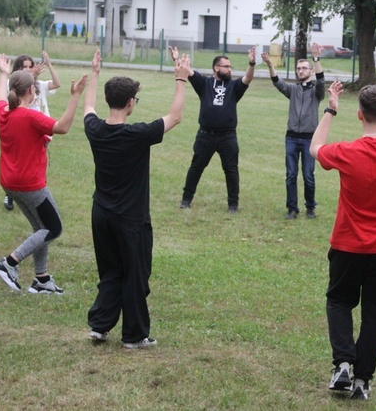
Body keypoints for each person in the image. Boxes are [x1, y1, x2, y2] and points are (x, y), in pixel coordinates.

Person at [310, 80, 376, 401]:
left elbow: (315, 147)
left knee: (340, 301)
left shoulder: (346, 151)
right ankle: (361, 380)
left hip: (347, 246)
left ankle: (343, 362)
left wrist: (331, 108)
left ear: (359, 115)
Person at [84, 48, 190, 349]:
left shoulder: (95, 130)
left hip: (101, 215)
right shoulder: (138, 134)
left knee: (110, 271)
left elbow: (88, 106)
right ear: (130, 103)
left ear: (110, 100)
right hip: (130, 219)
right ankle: (134, 335)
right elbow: (176, 116)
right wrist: (180, 78)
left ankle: (100, 326)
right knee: (135, 274)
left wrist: (94, 74)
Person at [0, 54, 87, 294]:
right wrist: (75, 96)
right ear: (31, 92)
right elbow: (62, 127)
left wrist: (3, 72)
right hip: (30, 185)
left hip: (10, 183)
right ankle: (9, 263)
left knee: (40, 228)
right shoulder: (31, 116)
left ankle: (41, 279)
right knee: (53, 228)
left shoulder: (4, 112)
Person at [178, 47, 255, 213]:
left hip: (227, 137)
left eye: (230, 67)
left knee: (231, 170)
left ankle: (233, 204)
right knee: (196, 167)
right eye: (226, 66)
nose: (229, 69)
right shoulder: (204, 84)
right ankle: (186, 199)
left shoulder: (234, 86)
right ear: (216, 68)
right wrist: (178, 60)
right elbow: (187, 71)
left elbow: (248, 78)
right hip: (205, 135)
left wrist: (252, 63)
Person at [264, 41, 325, 219]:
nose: (300, 71)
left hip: (309, 139)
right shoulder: (292, 90)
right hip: (291, 138)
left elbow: (321, 80)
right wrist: (269, 64)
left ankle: (310, 207)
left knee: (308, 175)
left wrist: (316, 58)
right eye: (298, 68)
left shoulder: (317, 91)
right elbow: (277, 82)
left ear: (310, 71)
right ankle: (292, 208)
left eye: (304, 68)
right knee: (291, 175)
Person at [3, 51, 61, 211]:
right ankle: (13, 194)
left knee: (37, 162)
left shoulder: (39, 85)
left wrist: (49, 65)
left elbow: (57, 83)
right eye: (24, 67)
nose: (28, 69)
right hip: (23, 128)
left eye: (30, 66)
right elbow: (10, 94)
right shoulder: (13, 85)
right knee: (20, 161)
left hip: (41, 129)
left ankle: (37, 193)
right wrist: (31, 77)